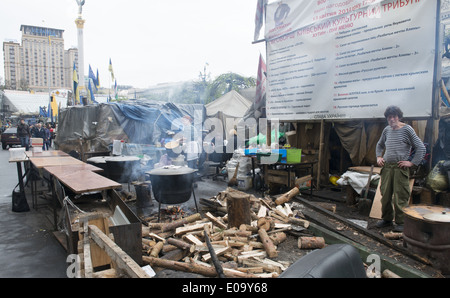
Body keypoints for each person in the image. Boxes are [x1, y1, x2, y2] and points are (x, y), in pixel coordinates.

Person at [375, 106, 426, 232]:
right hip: (387, 168)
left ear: (399, 117)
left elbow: (421, 148)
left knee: (400, 197)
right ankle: (386, 219)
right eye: (389, 117)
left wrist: (412, 163)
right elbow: (380, 144)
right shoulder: (386, 130)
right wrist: (378, 157)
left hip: (399, 168)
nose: (391, 119)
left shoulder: (407, 129)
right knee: (385, 195)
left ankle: (401, 222)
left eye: (394, 116)